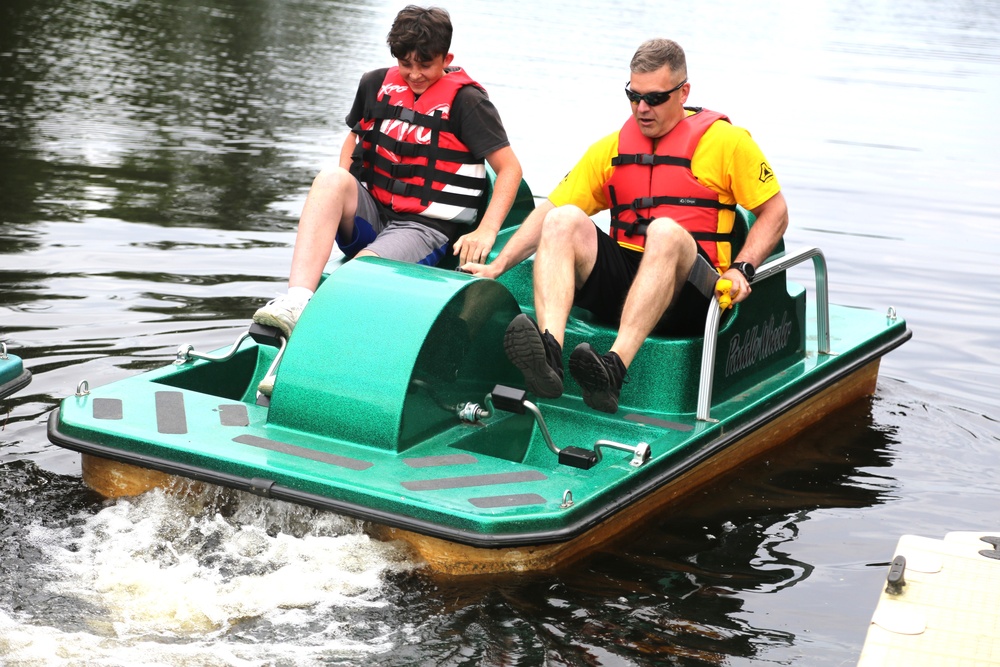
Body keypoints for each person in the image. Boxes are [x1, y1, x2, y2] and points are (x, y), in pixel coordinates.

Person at [462, 38, 788, 414]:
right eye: (633, 97)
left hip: (693, 295)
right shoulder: (613, 148)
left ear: (683, 92)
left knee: (664, 231)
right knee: (562, 219)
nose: (642, 108)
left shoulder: (728, 143)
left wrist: (742, 267)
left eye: (654, 98)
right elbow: (550, 208)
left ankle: (613, 370)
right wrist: (498, 266)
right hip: (623, 286)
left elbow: (775, 212)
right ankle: (548, 355)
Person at [252, 5, 522, 338]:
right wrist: (342, 199)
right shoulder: (375, 83)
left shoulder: (468, 103)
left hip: (425, 228)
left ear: (446, 58)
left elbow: (510, 169)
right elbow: (354, 138)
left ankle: (311, 341)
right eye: (406, 63)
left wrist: (487, 230)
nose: (415, 74)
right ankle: (297, 301)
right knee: (330, 179)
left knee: (356, 276)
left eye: (426, 64)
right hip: (373, 217)